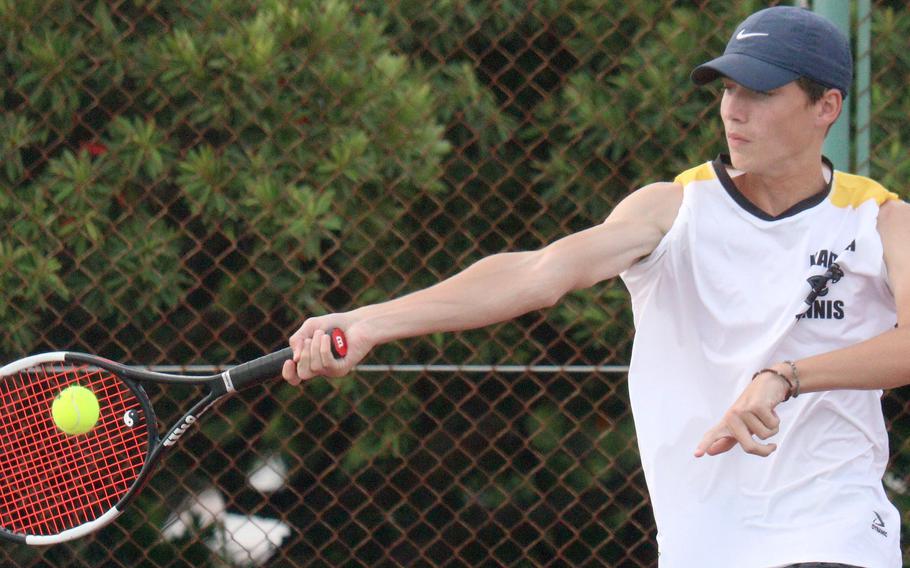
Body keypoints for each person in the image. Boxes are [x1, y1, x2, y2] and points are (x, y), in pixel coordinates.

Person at [282, 6, 910, 567]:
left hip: (838, 532)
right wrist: (368, 323)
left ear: (826, 106)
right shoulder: (672, 210)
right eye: (728, 88)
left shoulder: (882, 221)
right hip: (706, 540)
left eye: (761, 92)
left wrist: (785, 375)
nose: (732, 109)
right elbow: (538, 273)